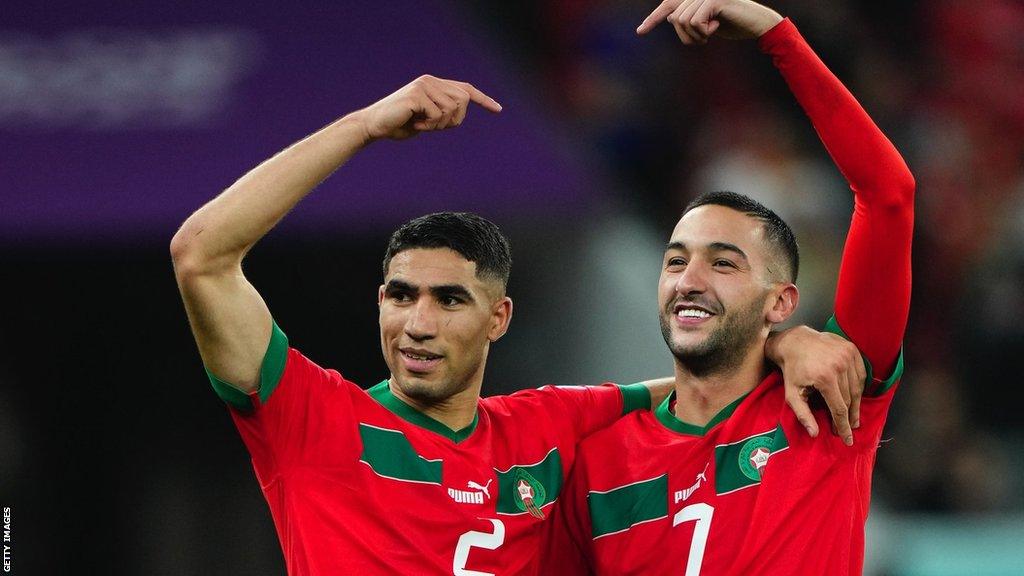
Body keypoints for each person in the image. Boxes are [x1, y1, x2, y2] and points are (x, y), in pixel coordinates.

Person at [170, 73, 867, 573]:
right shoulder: (315, 423)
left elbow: (691, 387)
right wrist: (365, 125)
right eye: (401, 295)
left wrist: (779, 340)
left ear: (498, 318)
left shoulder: (545, 427)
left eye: (449, 301)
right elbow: (201, 254)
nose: (417, 323)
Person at [543, 1, 914, 574]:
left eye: (723, 264)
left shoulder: (829, 393)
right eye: (675, 262)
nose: (690, 282)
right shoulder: (598, 462)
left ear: (782, 301)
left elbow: (888, 196)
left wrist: (775, 34)